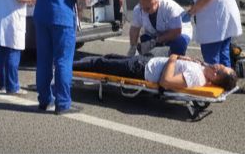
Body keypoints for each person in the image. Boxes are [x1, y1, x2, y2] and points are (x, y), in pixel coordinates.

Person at [32, 0, 98, 115]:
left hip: (41, 16)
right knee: (63, 60)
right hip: (62, 18)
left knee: (44, 60)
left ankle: (44, 100)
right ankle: (63, 104)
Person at [73, 53, 238, 92]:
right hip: (146, 62)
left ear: (215, 76)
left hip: (141, 70)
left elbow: (166, 82)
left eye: (221, 68)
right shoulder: (203, 69)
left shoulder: (197, 77)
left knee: (100, 64)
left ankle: (66, 67)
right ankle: (71, 63)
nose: (218, 65)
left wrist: (173, 58)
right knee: (108, 57)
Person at [126, 0, 192, 57]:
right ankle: (150, 59)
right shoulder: (138, 9)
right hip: (157, 33)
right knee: (144, 39)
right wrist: (133, 47)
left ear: (156, 2)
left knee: (179, 43)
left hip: (180, 31)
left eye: (148, 8)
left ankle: (175, 59)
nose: (144, 11)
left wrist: (156, 41)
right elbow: (134, 29)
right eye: (142, 8)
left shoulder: (169, 6)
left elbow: (176, 32)